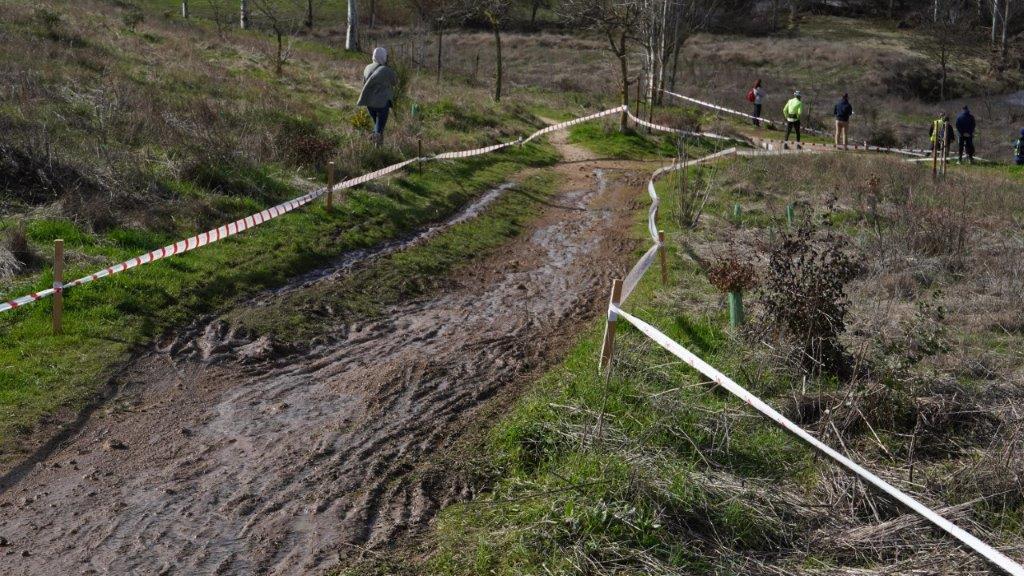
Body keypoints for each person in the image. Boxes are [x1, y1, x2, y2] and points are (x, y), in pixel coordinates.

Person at [356, 47, 399, 146]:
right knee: (379, 128)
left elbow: (364, 83)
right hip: (382, 103)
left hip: (369, 102)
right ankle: (375, 142)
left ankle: (377, 147)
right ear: (383, 57)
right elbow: (395, 82)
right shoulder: (386, 70)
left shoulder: (367, 67)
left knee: (377, 125)